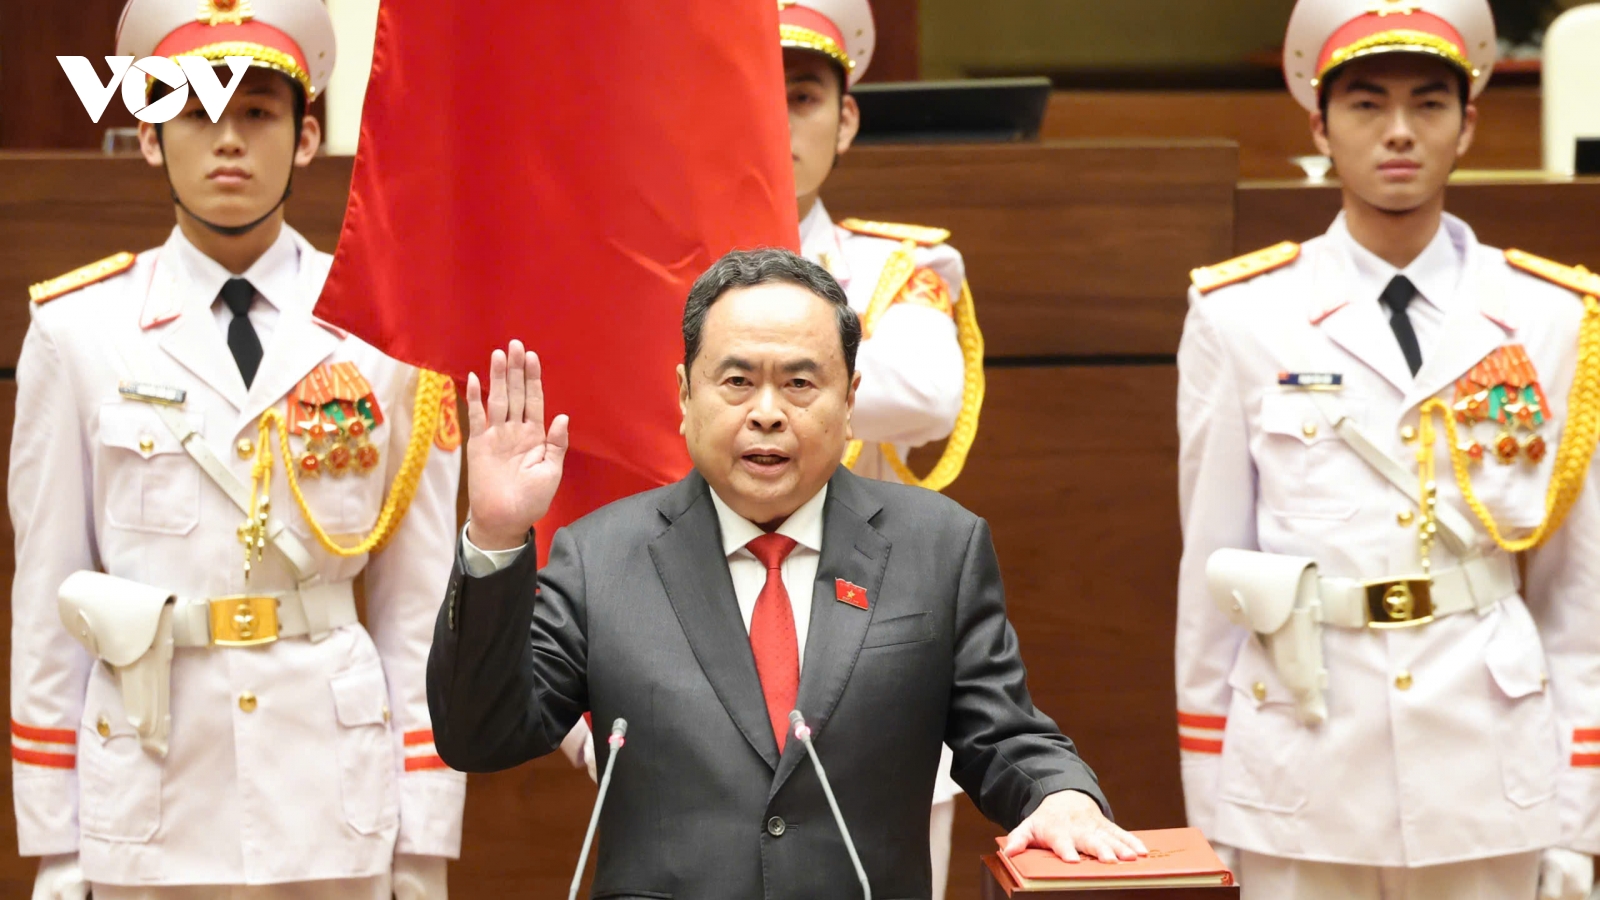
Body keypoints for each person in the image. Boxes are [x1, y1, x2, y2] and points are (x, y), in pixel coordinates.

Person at [427, 249, 1144, 898]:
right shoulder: (601, 557)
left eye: (799, 383)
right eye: (737, 382)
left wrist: (1062, 795)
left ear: (849, 400)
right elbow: (479, 736)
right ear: (684, 395)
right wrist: (495, 535)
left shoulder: (937, 547)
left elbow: (1003, 733)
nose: (766, 413)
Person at [11, 1, 464, 897]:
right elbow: (48, 602)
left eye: (257, 112)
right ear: (150, 138)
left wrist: (423, 843)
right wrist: (57, 847)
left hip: (333, 801)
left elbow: (420, 609)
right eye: (196, 113)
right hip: (147, 792)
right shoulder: (79, 332)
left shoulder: (386, 329)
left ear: (306, 139)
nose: (228, 140)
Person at [554, 4, 985, 892]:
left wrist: (743, 374)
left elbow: (928, 393)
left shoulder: (893, 271)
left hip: (865, 716)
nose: (770, 120)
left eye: (800, 96)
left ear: (846, 119)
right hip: (673, 694)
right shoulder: (629, 262)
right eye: (744, 92)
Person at [1175, 1, 1600, 898]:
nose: (1399, 131)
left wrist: (1579, 816)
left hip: (1489, 764)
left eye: (1429, 104)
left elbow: (1578, 592)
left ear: (1467, 125)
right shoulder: (1242, 314)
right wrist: (1213, 811)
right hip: (1301, 757)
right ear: (1319, 127)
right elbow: (1213, 576)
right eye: (1367, 104)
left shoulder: (1552, 316)